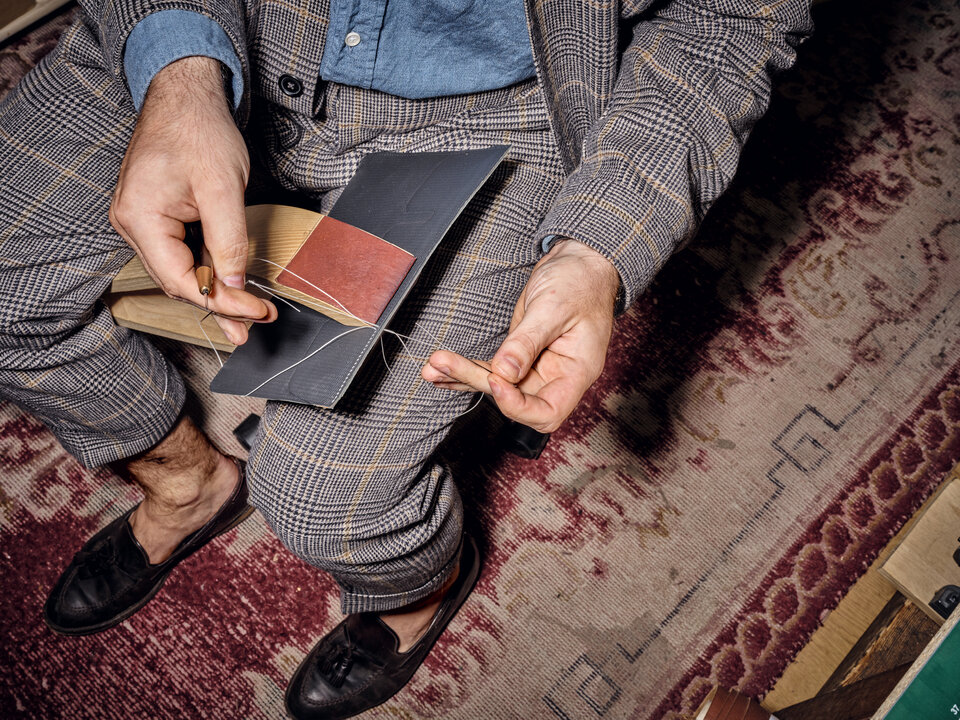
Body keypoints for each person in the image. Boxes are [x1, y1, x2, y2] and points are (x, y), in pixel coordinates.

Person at [0, 0, 813, 717]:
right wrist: (179, 70)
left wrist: (597, 248)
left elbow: (729, 21)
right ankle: (190, 485)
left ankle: (413, 591)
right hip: (223, 23)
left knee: (326, 500)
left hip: (504, 104)